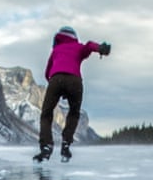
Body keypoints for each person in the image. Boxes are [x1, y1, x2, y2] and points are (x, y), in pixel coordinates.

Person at [34, 26, 111, 163]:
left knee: (46, 114)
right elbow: (89, 45)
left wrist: (57, 85)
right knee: (74, 113)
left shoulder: (56, 50)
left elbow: (47, 72)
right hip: (75, 81)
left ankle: (46, 147)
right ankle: (65, 146)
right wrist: (101, 49)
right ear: (74, 37)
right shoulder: (78, 47)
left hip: (55, 79)